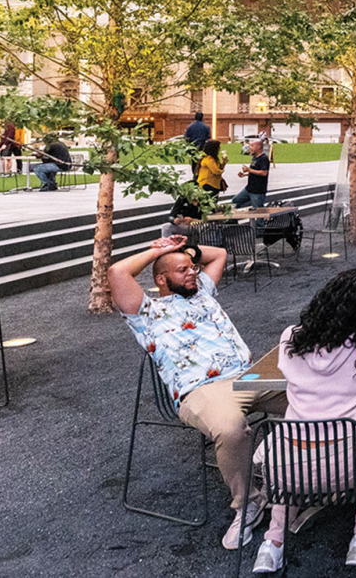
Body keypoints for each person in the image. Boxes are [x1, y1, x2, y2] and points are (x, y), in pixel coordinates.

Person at [110, 235, 286, 551]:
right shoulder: (145, 311)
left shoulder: (201, 291)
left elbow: (218, 254)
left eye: (192, 268)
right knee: (231, 429)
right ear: (161, 279)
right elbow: (117, 273)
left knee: (317, 392)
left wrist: (185, 251)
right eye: (182, 270)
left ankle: (316, 475)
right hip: (203, 390)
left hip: (250, 376)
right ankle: (249, 502)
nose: (192, 272)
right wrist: (157, 251)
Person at [251, 268, 356, 572]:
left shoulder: (290, 337)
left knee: (289, 458)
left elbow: (285, 366)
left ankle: (272, 545)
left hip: (287, 467)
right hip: (348, 463)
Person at [233, 139, 271, 210]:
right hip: (249, 188)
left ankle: (259, 221)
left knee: (258, 213)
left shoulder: (263, 158)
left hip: (257, 191)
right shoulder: (254, 157)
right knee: (234, 202)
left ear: (259, 147)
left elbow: (264, 173)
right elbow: (256, 171)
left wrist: (249, 169)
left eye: (252, 145)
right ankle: (232, 220)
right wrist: (245, 174)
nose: (250, 147)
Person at [185, 111, 211, 178]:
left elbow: (186, 137)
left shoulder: (190, 127)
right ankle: (201, 175)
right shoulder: (206, 127)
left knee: (194, 162)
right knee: (202, 161)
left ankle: (195, 175)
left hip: (193, 147)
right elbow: (208, 137)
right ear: (202, 117)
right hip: (202, 146)